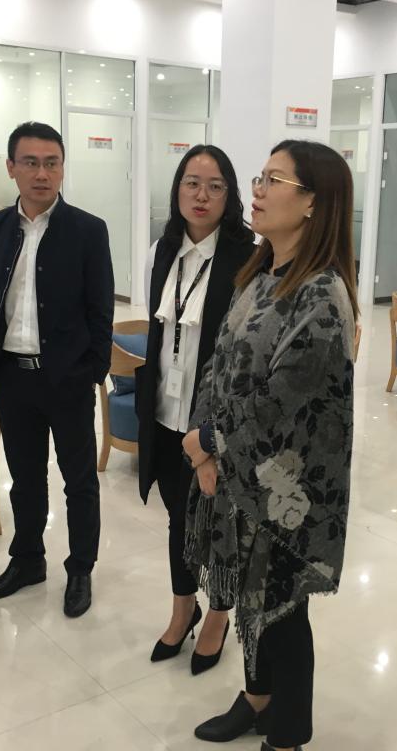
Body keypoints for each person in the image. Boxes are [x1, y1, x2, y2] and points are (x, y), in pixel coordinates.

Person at [183, 140, 358, 751]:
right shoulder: (260, 273)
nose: (256, 190)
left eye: (274, 179)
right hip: (239, 475)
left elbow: (278, 406)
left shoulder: (321, 296)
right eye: (260, 177)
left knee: (281, 612)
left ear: (312, 202)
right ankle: (258, 698)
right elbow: (218, 364)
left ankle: (286, 737)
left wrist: (206, 443)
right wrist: (204, 442)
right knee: (251, 601)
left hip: (287, 492)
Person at [0, 121, 114, 618]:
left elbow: (101, 310)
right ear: (11, 167)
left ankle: (80, 569)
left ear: (62, 169)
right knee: (25, 476)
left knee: (79, 481)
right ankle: (28, 560)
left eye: (51, 163)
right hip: (12, 376)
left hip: (67, 377)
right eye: (30, 162)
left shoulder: (88, 230)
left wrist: (92, 371)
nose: (41, 173)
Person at [136, 145, 254, 674]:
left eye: (214, 185)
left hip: (216, 421)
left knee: (222, 522)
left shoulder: (250, 259)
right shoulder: (161, 252)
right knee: (176, 518)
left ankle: (219, 614)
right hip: (165, 412)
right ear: (177, 190)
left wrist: (216, 433)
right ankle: (183, 608)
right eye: (191, 183)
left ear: (230, 195)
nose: (201, 195)